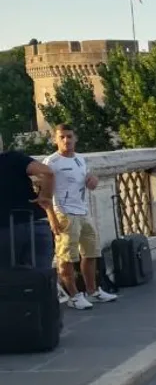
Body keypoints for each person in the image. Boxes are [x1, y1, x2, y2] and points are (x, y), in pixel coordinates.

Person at [44, 124, 118, 310]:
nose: (66, 140)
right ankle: (74, 295)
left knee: (91, 252)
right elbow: (44, 194)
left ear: (75, 138)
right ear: (55, 140)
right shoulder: (51, 162)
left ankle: (93, 291)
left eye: (69, 136)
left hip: (84, 212)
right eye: (61, 137)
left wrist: (93, 179)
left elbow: (88, 183)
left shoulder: (80, 160)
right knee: (67, 256)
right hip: (64, 213)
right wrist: (52, 218)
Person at [0, 134, 55, 272]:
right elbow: (47, 172)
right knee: (41, 281)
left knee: (9, 284)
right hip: (36, 224)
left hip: (5, 230)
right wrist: (45, 195)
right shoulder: (14, 157)